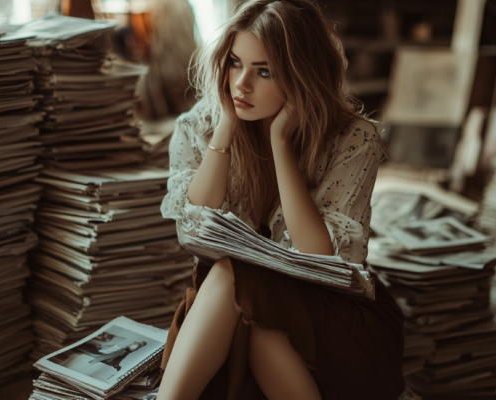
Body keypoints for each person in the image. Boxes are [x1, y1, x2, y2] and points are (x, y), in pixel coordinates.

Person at [157, 1, 405, 399]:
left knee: (240, 282)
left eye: (264, 71)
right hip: (233, 312)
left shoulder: (354, 138)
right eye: (235, 63)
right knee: (236, 279)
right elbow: (194, 226)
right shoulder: (199, 125)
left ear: (301, 76)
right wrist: (224, 130)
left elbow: (319, 254)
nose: (241, 84)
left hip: (330, 317)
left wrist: (280, 144)